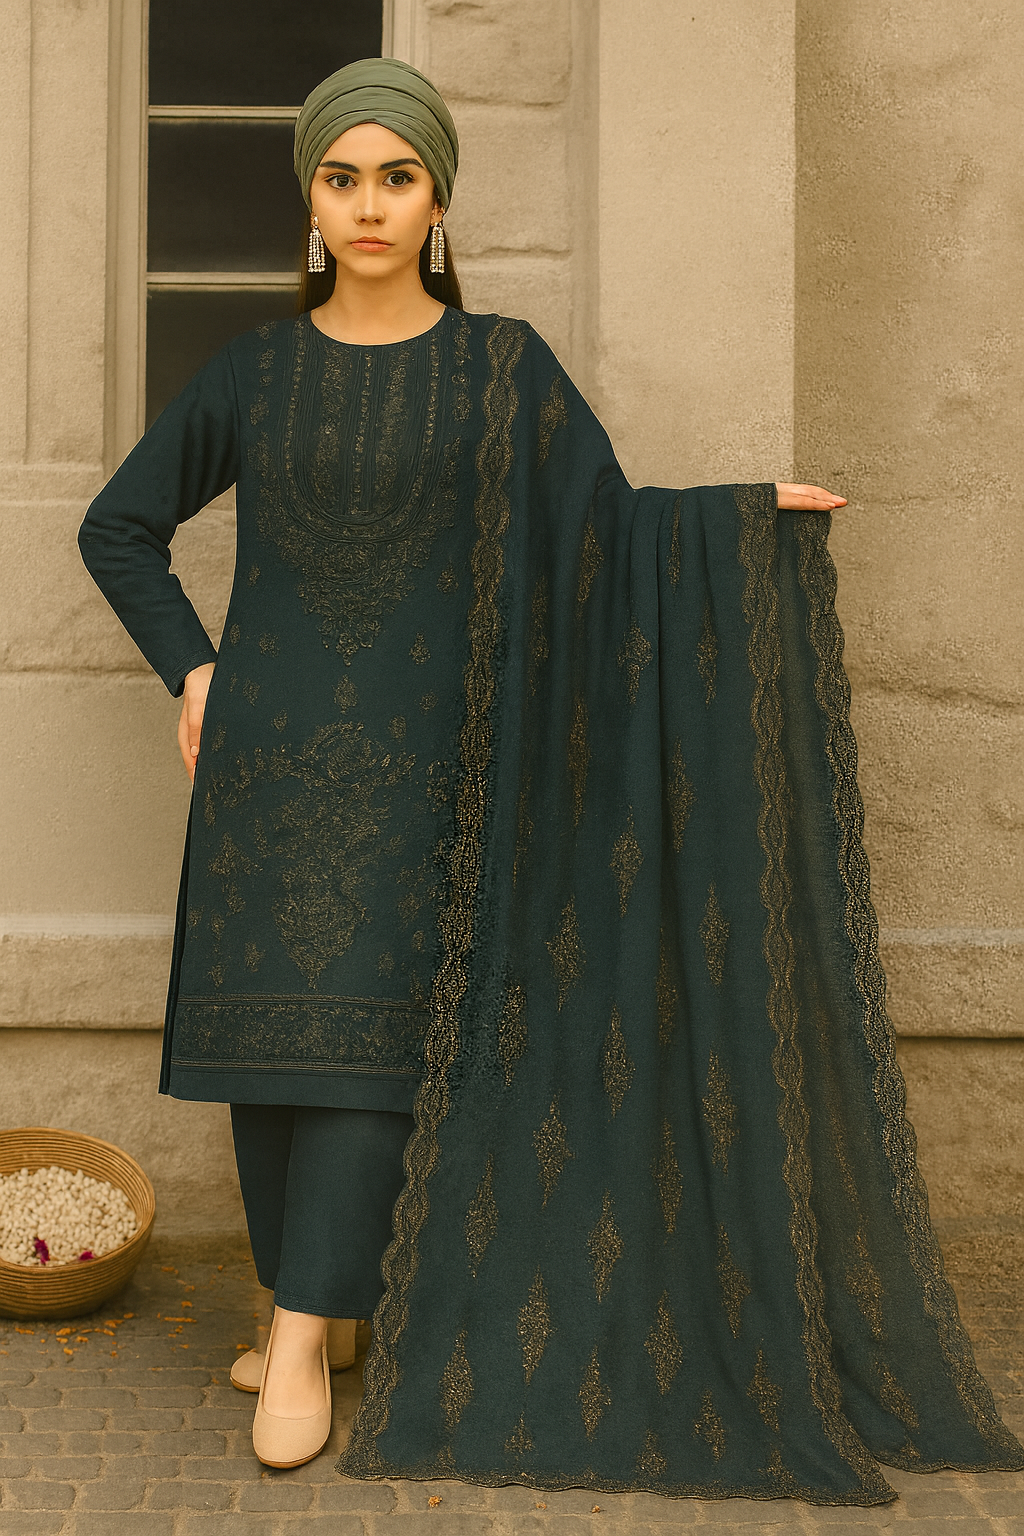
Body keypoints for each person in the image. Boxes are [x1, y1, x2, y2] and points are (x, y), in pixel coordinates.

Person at [79, 58, 1023, 1501]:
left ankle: (286, 1340)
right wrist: (197, 671)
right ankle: (314, 1312)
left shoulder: (500, 368)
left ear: (442, 196)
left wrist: (742, 520)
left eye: (399, 177)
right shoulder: (252, 378)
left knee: (363, 1056)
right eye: (343, 177)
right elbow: (120, 526)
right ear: (312, 199)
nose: (370, 205)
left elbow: (607, 533)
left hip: (428, 772)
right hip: (271, 774)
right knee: (270, 1053)